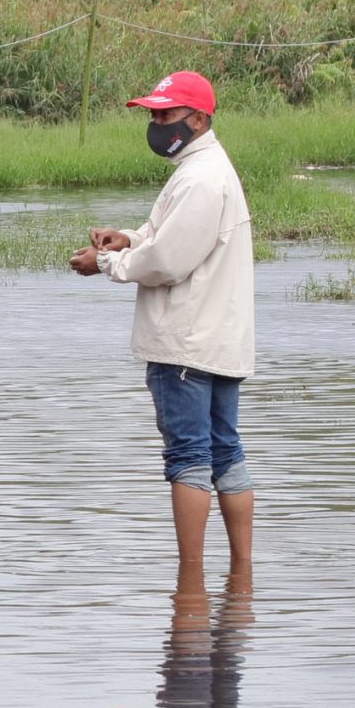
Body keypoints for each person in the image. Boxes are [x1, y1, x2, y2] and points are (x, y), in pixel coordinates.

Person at [70, 69, 256, 578]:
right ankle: (242, 575)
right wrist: (127, 237)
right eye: (152, 115)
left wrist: (106, 263)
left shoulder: (199, 177)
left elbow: (169, 261)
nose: (156, 124)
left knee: (189, 456)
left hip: (184, 344)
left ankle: (190, 583)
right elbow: (162, 235)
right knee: (224, 450)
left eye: (167, 114)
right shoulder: (204, 168)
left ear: (198, 118)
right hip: (216, 340)